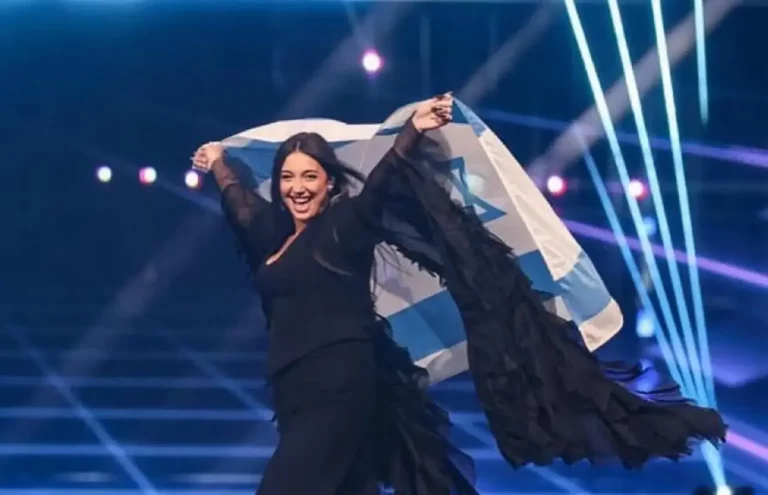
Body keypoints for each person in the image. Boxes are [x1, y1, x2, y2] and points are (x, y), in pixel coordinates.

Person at [192, 94, 726, 495]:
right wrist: (217, 161)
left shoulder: (345, 227)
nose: (298, 187)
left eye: (310, 176)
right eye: (288, 177)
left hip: (340, 388)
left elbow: (381, 184)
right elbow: (239, 202)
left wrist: (413, 130)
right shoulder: (273, 237)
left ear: (330, 183)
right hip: (294, 393)